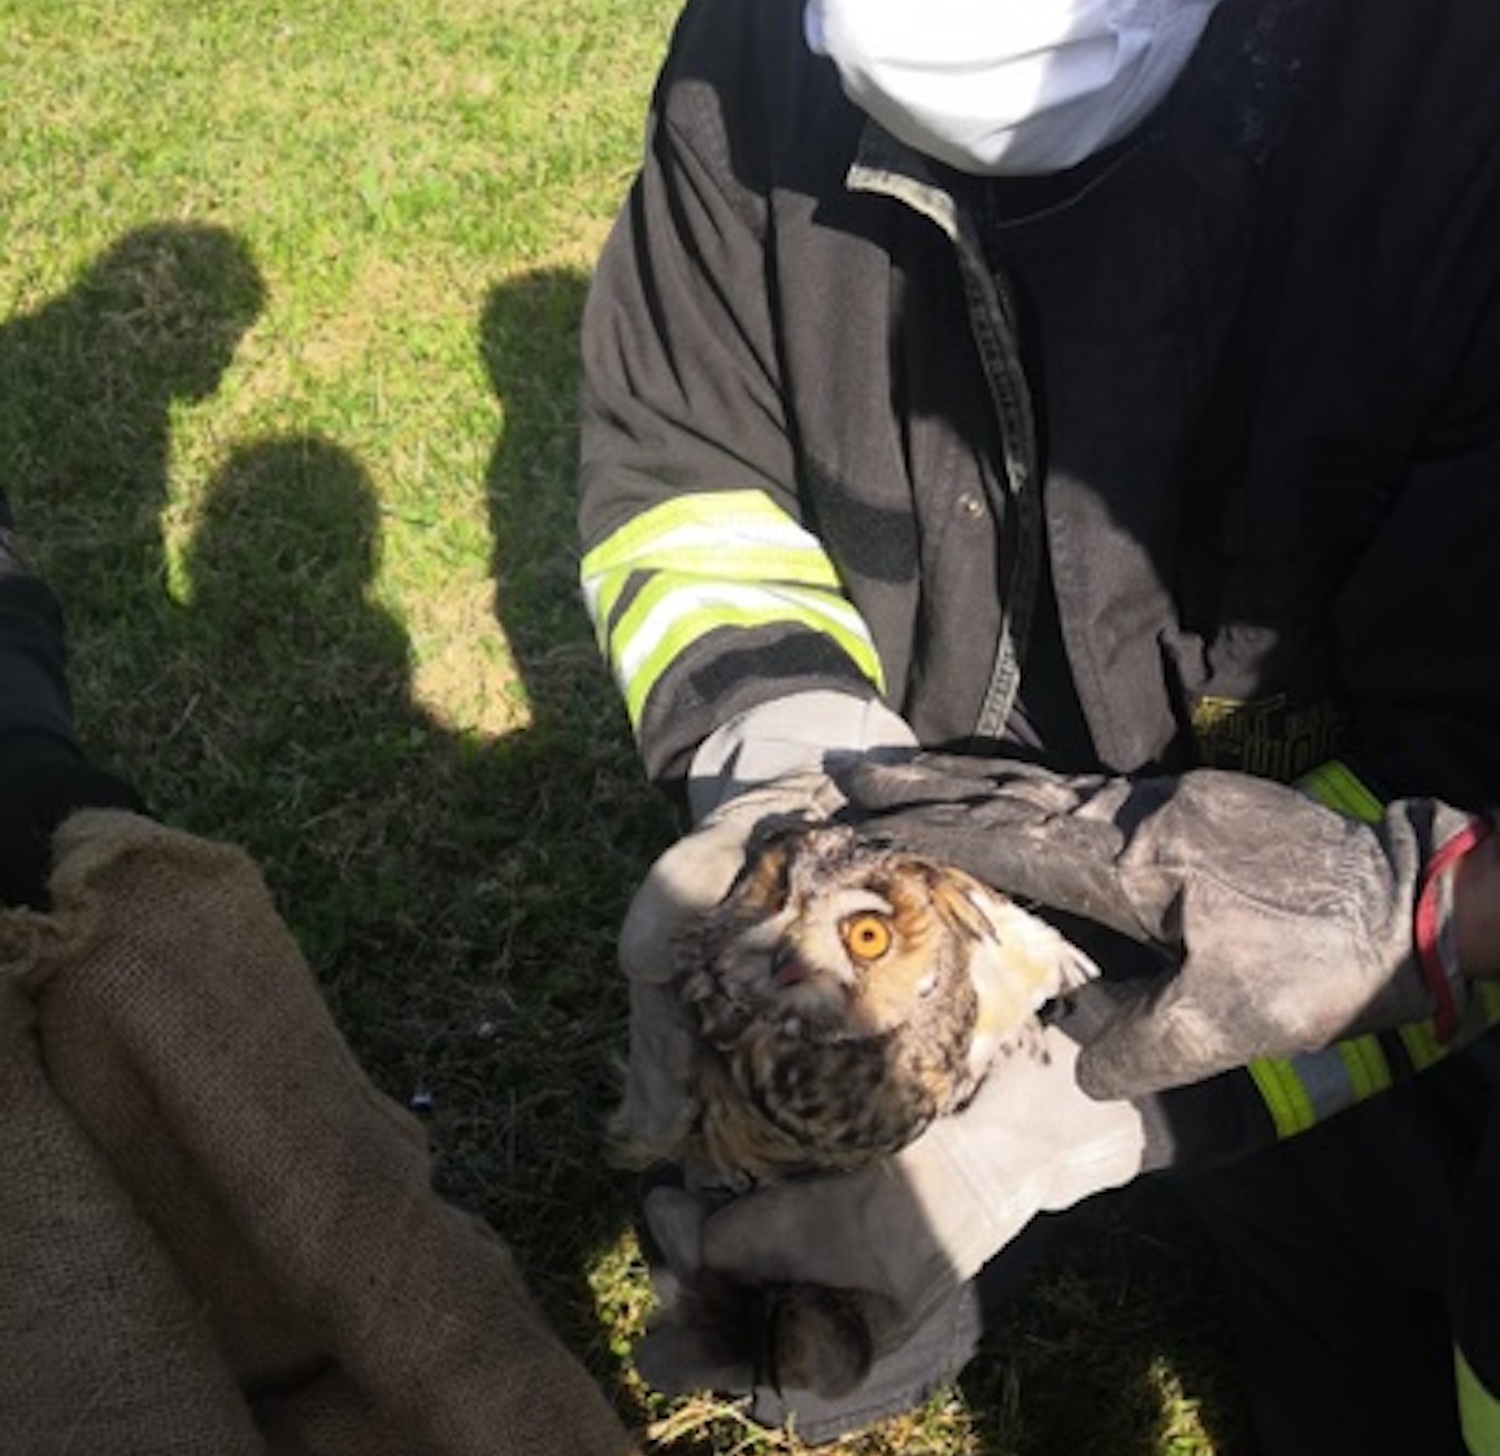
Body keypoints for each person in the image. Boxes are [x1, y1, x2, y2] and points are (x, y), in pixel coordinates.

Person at [575, 0, 1500, 1450]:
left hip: (1344, 985)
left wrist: (1078, 1104)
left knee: (1393, 1336)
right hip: (922, 837)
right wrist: (770, 749)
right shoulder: (756, 53)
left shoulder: (1453, 104)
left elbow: (1462, 825)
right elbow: (688, 463)